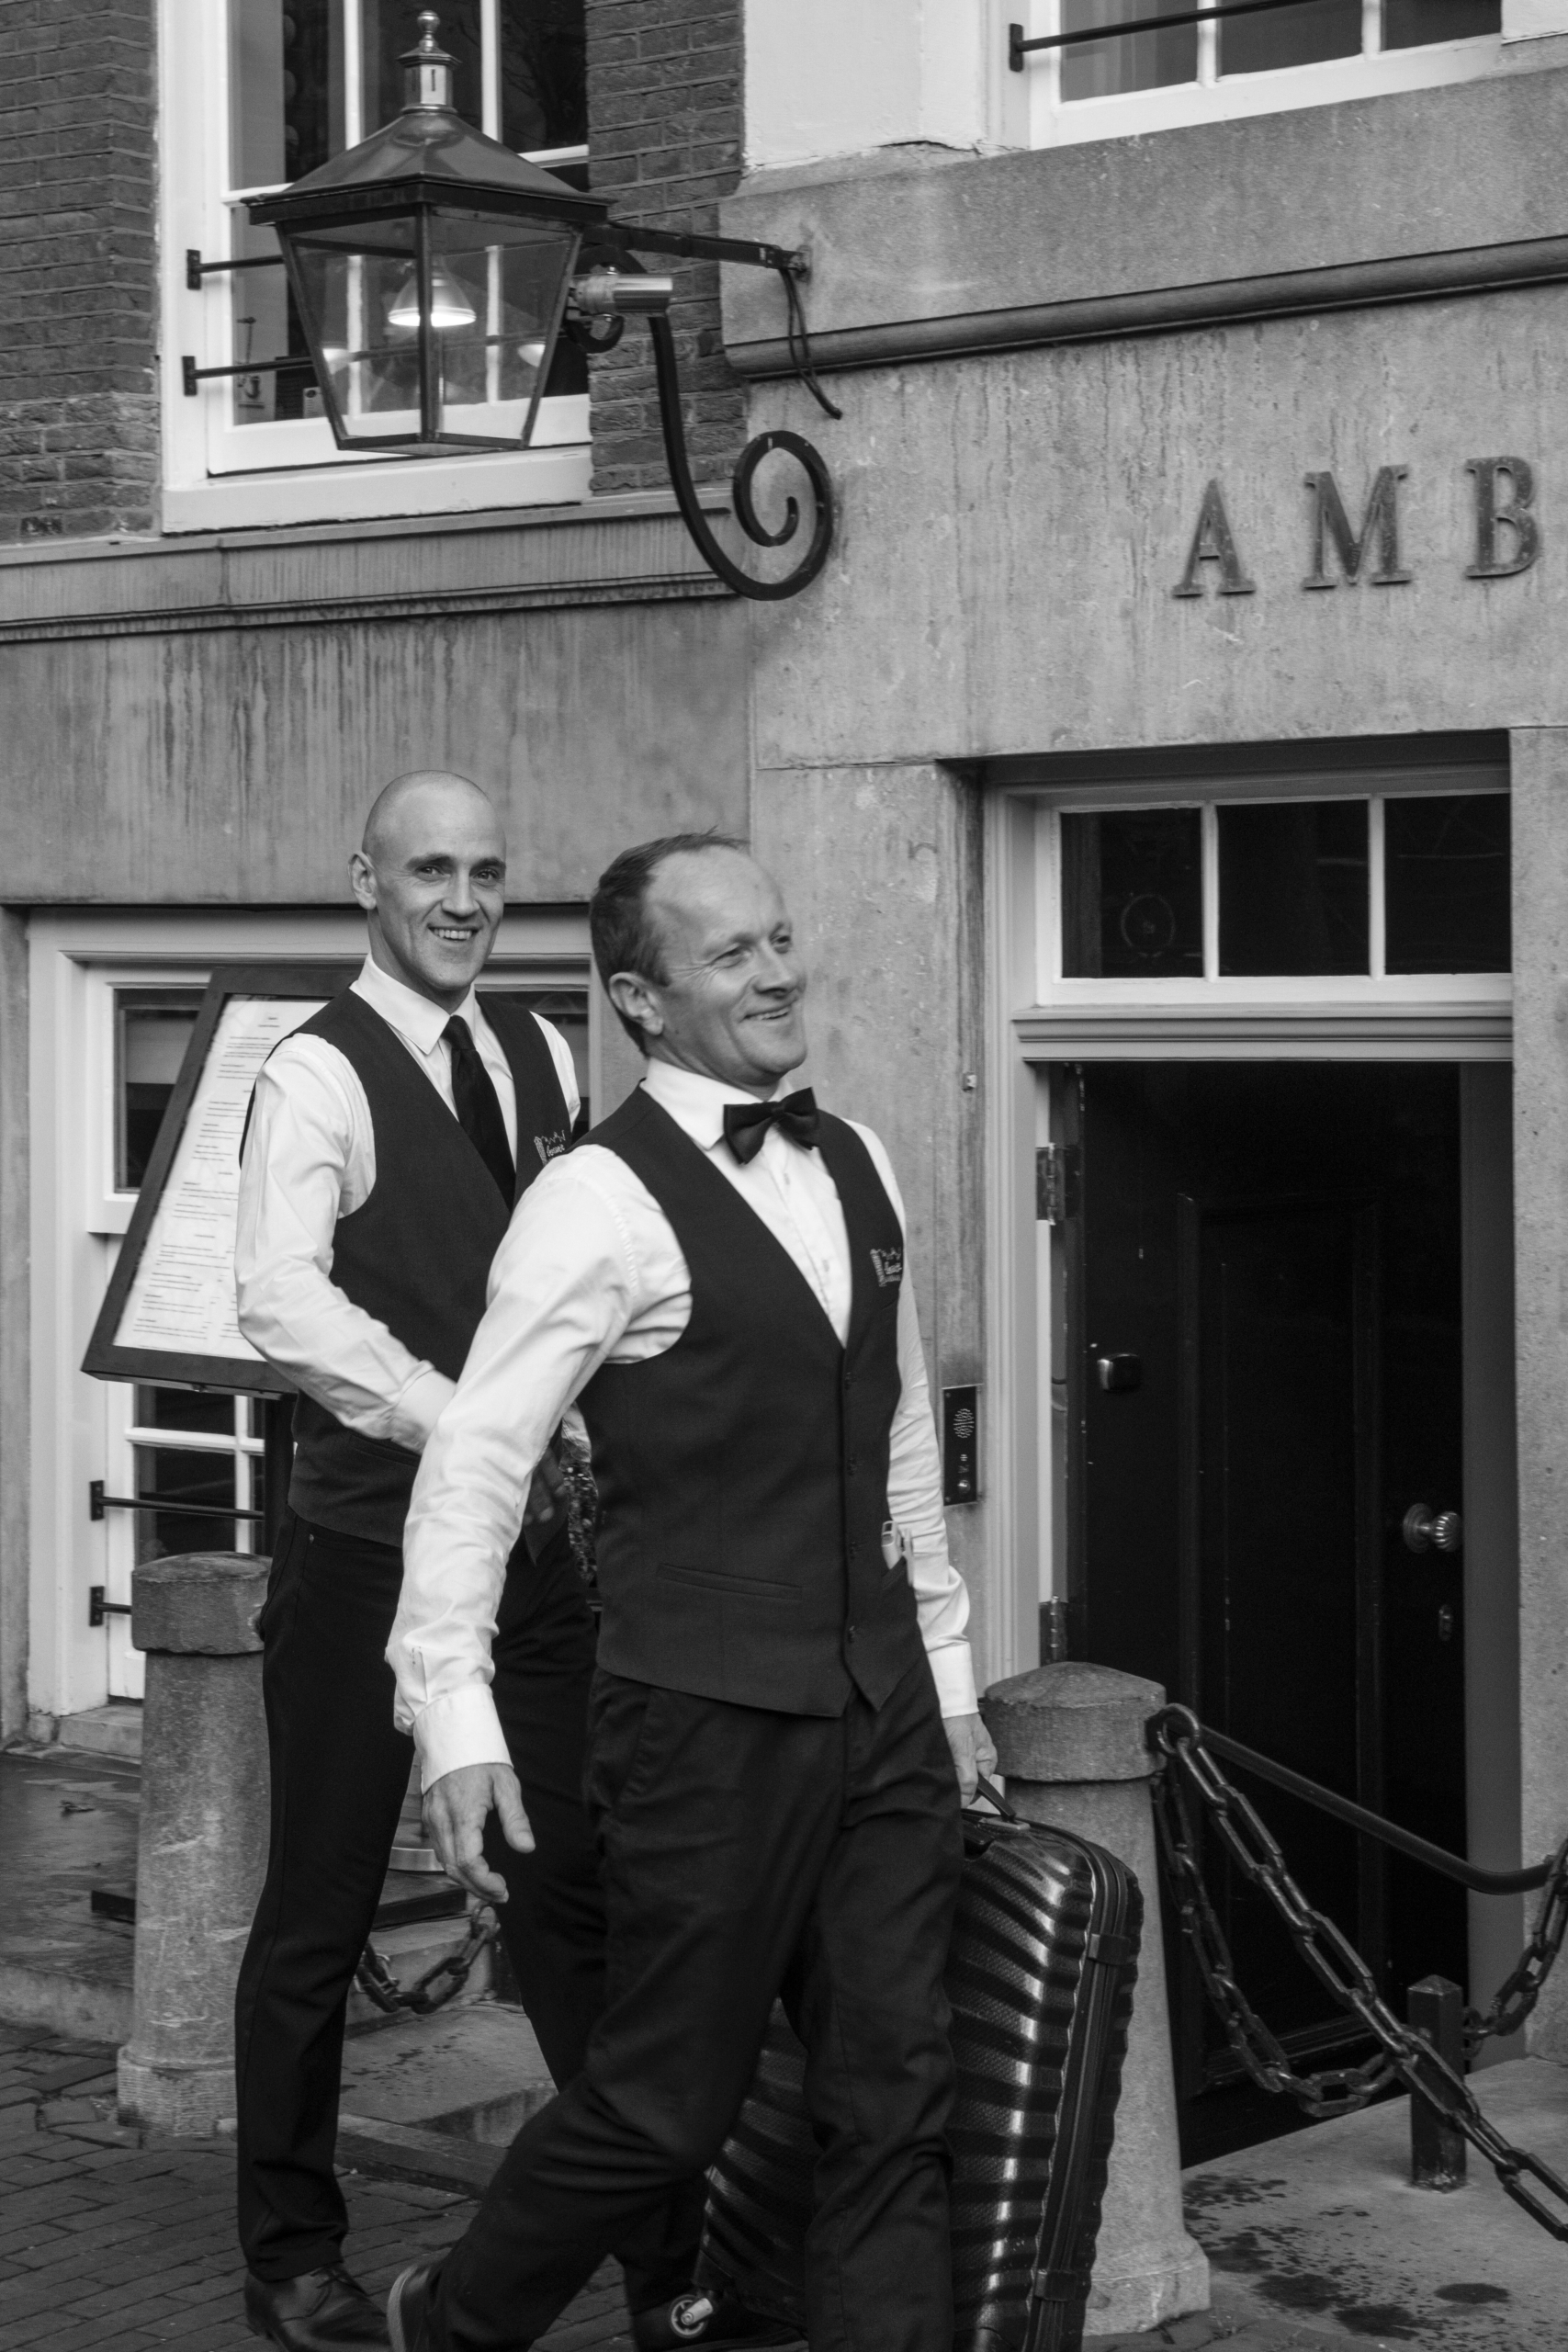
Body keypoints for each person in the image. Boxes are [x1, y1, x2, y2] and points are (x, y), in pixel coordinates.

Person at [383, 831, 998, 2352]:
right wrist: (454, 1714)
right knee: (666, 2107)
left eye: (780, 936)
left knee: (899, 2100)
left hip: (885, 1716)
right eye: (732, 954)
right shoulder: (594, 1198)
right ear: (642, 1003)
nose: (780, 971)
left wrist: (954, 1678)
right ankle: (455, 2323)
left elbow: (900, 1431)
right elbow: (476, 1454)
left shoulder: (858, 1156)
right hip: (703, 1728)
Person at [232, 778, 756, 2352]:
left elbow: (579, 1260)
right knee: (318, 1915)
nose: (463, 898)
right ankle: (288, 2256)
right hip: (359, 1550)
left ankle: (664, 2261)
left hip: (532, 1559)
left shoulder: (537, 1048)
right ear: (366, 883)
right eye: (431, 870)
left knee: (576, 1898)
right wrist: (467, 1420)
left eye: (486, 872)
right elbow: (280, 1302)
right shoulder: (312, 1071)